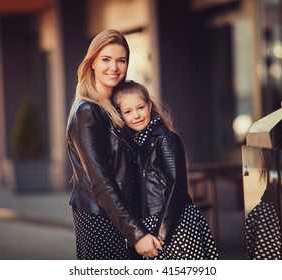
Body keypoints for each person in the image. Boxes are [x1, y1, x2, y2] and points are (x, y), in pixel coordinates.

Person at [66, 30, 162, 260]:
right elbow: (100, 182)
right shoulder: (87, 112)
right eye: (106, 59)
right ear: (92, 64)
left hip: (121, 216)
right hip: (101, 220)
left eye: (121, 60)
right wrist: (137, 235)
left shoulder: (117, 106)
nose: (114, 67)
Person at [111, 80, 220, 260]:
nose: (136, 115)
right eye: (128, 111)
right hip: (148, 227)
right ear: (120, 115)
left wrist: (160, 235)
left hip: (173, 225)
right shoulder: (133, 144)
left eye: (140, 108)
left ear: (149, 106)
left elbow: (177, 187)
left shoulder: (165, 139)